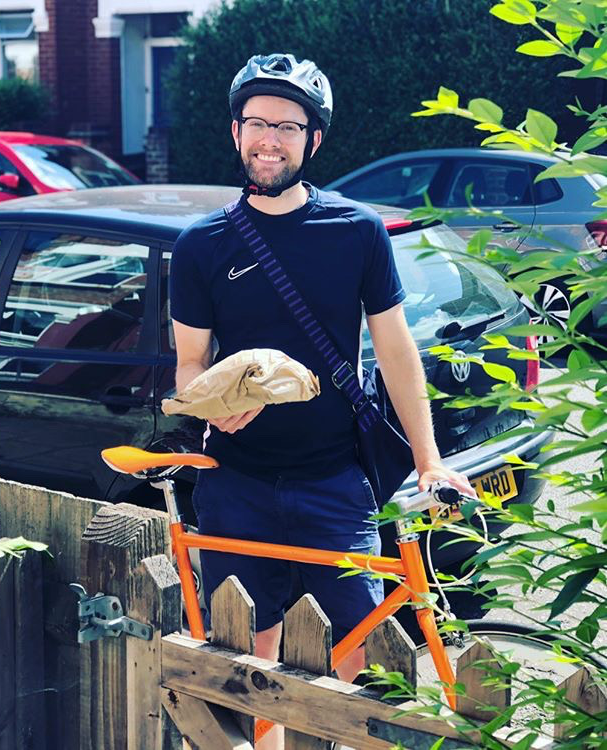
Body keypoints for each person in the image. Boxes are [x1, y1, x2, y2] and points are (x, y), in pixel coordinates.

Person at [170, 52, 474, 746]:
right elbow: (189, 368)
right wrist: (208, 404)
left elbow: (397, 352)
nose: (268, 139)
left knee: (361, 660)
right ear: (235, 130)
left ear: (314, 140)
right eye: (256, 122)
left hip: (335, 482)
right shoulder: (201, 246)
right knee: (254, 664)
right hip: (237, 482)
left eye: (287, 124)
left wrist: (427, 459)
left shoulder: (356, 232)